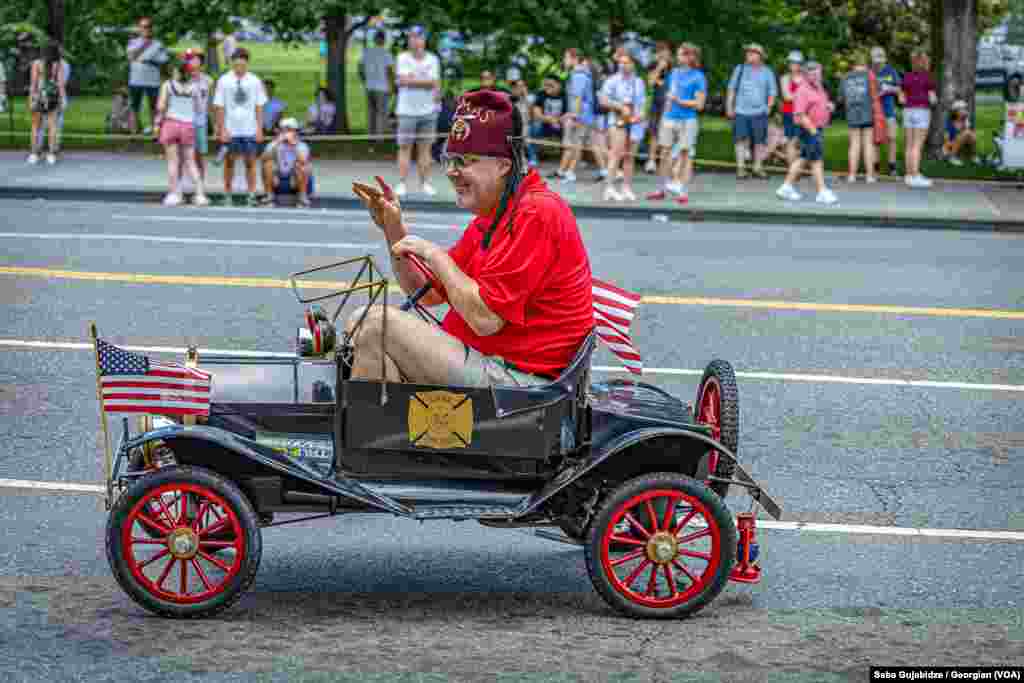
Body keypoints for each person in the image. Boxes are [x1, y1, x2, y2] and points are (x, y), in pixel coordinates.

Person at [348, 89, 593, 387]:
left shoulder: (536, 212)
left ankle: (371, 431)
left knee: (373, 324)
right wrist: (393, 230)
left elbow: (486, 320)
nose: (451, 172)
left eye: (466, 160)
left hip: (528, 384)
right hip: (499, 365)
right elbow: (428, 293)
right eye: (449, 159)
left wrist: (435, 254)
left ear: (504, 164)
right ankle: (377, 432)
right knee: (365, 333)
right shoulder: (499, 212)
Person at [647, 43, 705, 204]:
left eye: (680, 54)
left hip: (687, 120)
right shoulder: (673, 73)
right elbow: (667, 95)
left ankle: (683, 192)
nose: (677, 57)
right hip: (669, 118)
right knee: (664, 153)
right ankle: (661, 189)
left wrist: (679, 101)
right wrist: (664, 117)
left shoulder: (698, 76)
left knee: (685, 155)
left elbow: (699, 104)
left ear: (689, 57)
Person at [776, 61, 838, 205]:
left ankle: (786, 187)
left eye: (818, 72)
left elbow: (820, 102)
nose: (815, 75)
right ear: (805, 74)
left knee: (804, 158)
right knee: (816, 160)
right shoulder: (802, 90)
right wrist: (814, 132)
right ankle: (822, 191)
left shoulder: (819, 87)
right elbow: (799, 115)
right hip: (809, 129)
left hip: (817, 129)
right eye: (811, 72)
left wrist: (828, 106)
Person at [212, 47, 267, 206]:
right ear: (231, 63)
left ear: (247, 64)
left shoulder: (254, 81)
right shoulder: (224, 80)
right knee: (229, 162)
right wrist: (222, 129)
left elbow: (259, 106)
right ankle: (227, 192)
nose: (239, 69)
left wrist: (259, 128)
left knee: (250, 162)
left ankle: (251, 193)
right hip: (231, 128)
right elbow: (219, 106)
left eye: (242, 65)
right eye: (236, 65)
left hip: (249, 128)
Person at [394, 25, 441, 197]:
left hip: (428, 111)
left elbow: (435, 83)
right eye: (412, 37)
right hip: (406, 111)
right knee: (404, 147)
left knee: (425, 149)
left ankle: (425, 183)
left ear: (424, 40)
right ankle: (401, 183)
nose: (415, 40)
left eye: (418, 37)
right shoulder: (402, 58)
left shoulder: (433, 59)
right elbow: (403, 80)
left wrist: (414, 79)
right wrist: (425, 81)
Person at [154, 57, 208, 207]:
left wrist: (158, 122)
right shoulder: (194, 87)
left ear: (175, 71)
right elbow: (199, 108)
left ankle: (175, 194)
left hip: (171, 123)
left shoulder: (168, 85)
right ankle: (200, 194)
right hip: (188, 125)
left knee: (173, 162)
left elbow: (161, 106)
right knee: (190, 161)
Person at [599, 51, 646, 201]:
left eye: (626, 62)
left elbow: (643, 102)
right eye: (621, 62)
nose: (623, 65)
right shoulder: (612, 80)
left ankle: (626, 188)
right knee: (616, 154)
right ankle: (609, 188)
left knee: (630, 157)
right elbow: (603, 100)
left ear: (633, 64)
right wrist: (619, 106)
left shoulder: (638, 81)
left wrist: (641, 115)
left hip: (635, 123)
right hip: (618, 122)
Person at [726, 43, 777, 179]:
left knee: (760, 141)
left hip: (760, 112)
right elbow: (731, 89)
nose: (748, 54)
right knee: (740, 140)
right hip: (741, 111)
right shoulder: (740, 69)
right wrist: (729, 106)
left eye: (752, 52)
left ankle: (757, 167)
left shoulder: (767, 72)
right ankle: (741, 168)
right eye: (748, 52)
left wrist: (769, 108)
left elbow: (772, 92)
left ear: (760, 56)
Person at [555, 48, 596, 183]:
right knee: (576, 143)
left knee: (575, 143)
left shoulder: (578, 75)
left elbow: (577, 97)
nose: (564, 60)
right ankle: (569, 172)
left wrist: (573, 116)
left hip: (580, 115)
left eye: (566, 58)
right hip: (583, 114)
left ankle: (571, 172)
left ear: (574, 58)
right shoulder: (582, 73)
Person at [901, 49, 937, 188]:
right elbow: (932, 98)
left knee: (909, 145)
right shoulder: (928, 77)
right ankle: (915, 176)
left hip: (908, 111)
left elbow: (903, 97)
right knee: (917, 145)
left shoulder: (907, 76)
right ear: (925, 62)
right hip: (921, 111)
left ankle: (909, 175)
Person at [126, 17, 169, 135]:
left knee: (154, 108)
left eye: (149, 26)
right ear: (139, 28)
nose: (146, 29)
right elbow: (130, 57)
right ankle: (134, 132)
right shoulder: (132, 42)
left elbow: (163, 59)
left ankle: (154, 131)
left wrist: (145, 58)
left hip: (152, 80)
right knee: (134, 107)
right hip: (135, 80)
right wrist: (146, 49)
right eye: (143, 26)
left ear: (152, 28)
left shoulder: (158, 44)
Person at [840, 51, 877, 183]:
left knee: (854, 144)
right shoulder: (870, 75)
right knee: (868, 144)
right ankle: (870, 176)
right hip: (867, 113)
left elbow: (842, 97)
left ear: (853, 64)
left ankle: (852, 175)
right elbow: (876, 94)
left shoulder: (846, 77)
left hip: (852, 113)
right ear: (866, 64)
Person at [260, 118, 314, 207]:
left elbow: (304, 161)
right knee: (267, 164)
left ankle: (302, 197)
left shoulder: (301, 145)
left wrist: (293, 145)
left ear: (295, 132)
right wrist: (277, 142)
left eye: (289, 130)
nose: (286, 133)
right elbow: (263, 158)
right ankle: (269, 196)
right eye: (283, 130)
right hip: (277, 179)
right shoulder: (273, 144)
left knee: (302, 166)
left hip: (294, 180)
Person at [27, 44, 66, 165]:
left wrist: (31, 98)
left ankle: (34, 153)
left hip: (39, 96)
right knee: (52, 126)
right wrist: (63, 98)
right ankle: (51, 154)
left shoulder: (36, 64)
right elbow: (60, 85)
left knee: (35, 126)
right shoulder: (58, 65)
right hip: (53, 97)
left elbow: (33, 84)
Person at [871, 47, 902, 176]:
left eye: (881, 57)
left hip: (889, 109)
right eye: (876, 58)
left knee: (892, 138)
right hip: (874, 110)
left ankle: (892, 166)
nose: (878, 61)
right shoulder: (870, 72)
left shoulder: (891, 71)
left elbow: (899, 89)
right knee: (876, 140)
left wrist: (888, 88)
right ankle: (875, 167)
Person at [644, 42, 673, 174]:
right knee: (654, 132)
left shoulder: (675, 66)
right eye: (659, 51)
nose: (662, 54)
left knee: (668, 133)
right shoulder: (654, 64)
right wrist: (659, 69)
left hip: (671, 104)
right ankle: (651, 161)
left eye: (665, 51)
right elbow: (650, 81)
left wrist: (660, 82)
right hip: (657, 102)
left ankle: (664, 162)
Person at [360, 30, 395, 138]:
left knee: (371, 113)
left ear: (374, 39)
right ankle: (379, 137)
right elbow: (389, 71)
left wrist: (365, 80)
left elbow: (360, 69)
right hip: (382, 87)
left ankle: (371, 135)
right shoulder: (386, 54)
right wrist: (391, 86)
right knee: (381, 113)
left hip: (369, 87)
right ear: (383, 40)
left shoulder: (367, 52)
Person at [530, 77, 566, 166]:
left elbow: (569, 113)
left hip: (561, 123)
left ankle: (566, 158)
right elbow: (536, 114)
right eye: (546, 85)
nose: (547, 87)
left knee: (570, 127)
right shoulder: (541, 94)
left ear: (559, 85)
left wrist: (558, 121)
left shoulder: (565, 95)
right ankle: (533, 157)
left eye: (551, 85)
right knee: (534, 127)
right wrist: (550, 120)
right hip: (544, 123)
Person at [779, 51, 804, 165]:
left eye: (796, 63)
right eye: (791, 63)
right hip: (789, 113)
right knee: (791, 140)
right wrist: (803, 96)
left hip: (803, 113)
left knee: (800, 140)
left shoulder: (806, 78)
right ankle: (792, 168)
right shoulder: (785, 78)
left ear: (800, 64)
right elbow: (787, 96)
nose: (794, 65)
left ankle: (798, 168)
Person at [944, 99, 977, 165]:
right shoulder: (949, 122)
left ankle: (972, 156)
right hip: (951, 144)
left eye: (965, 109)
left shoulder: (966, 121)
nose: (964, 111)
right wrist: (948, 145)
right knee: (967, 133)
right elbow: (946, 138)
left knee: (971, 134)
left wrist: (966, 122)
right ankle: (952, 157)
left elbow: (970, 136)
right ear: (955, 111)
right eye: (962, 109)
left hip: (962, 142)